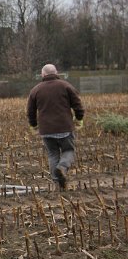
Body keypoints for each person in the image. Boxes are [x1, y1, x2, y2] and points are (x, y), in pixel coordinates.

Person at [27, 63, 84, 191]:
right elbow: (77, 104)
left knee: (53, 154)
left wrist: (33, 125)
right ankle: (62, 168)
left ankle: (58, 183)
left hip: (46, 130)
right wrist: (79, 118)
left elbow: (30, 111)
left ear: (43, 74)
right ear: (56, 72)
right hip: (64, 127)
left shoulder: (35, 90)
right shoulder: (66, 86)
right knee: (68, 150)